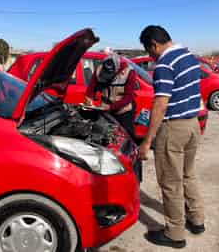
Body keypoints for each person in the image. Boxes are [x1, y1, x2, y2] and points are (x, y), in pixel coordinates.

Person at [139, 25, 205, 249]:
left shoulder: (165, 64)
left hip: (173, 128)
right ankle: (197, 220)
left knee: (170, 183)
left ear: (154, 45)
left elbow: (160, 104)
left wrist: (147, 141)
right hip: (193, 125)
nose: (150, 57)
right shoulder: (189, 56)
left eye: (149, 52)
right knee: (188, 174)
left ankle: (175, 233)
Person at [85, 53, 136, 138]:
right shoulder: (99, 69)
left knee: (126, 137)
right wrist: (88, 98)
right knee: (103, 136)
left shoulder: (129, 72)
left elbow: (128, 97)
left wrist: (111, 107)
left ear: (117, 69)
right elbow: (91, 87)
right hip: (106, 111)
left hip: (123, 112)